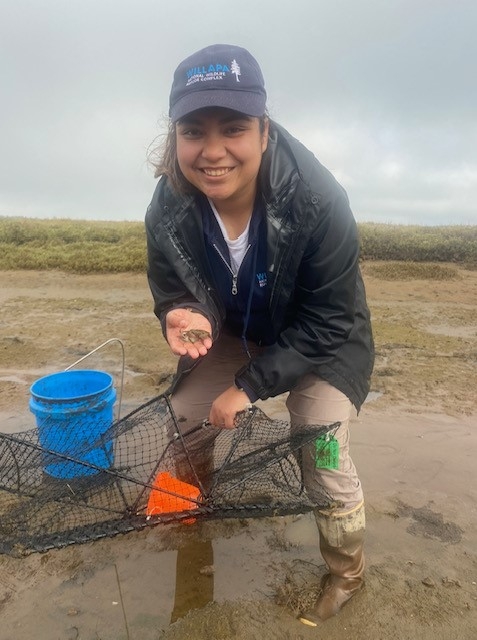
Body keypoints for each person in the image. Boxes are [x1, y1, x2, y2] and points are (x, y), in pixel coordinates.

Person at [145, 43, 374, 627]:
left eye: (233, 128)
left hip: (322, 338)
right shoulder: (169, 203)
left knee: (319, 439)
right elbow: (171, 282)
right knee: (188, 414)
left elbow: (328, 322)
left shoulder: (320, 202)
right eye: (194, 131)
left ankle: (346, 571)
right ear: (175, 137)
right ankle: (190, 513)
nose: (212, 151)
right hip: (236, 329)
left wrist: (247, 388)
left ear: (264, 131)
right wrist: (177, 310)